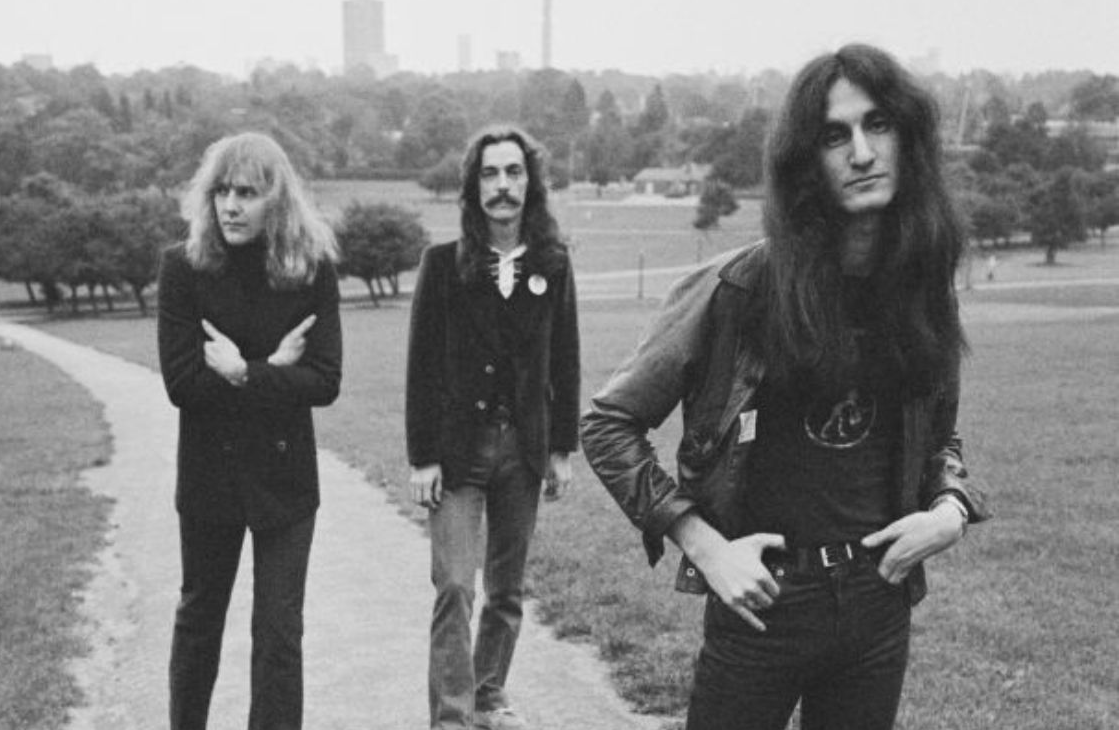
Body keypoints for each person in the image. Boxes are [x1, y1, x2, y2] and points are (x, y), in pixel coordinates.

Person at [581, 44, 991, 730]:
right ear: (807, 162)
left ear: (909, 140)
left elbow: (937, 439)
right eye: (834, 135)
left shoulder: (921, 289)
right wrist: (704, 546)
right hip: (764, 600)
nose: (861, 152)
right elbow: (608, 424)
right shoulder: (739, 288)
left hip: (878, 601)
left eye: (878, 124)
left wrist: (949, 510)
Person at [157, 131, 342, 730]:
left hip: (285, 482)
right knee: (199, 621)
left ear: (276, 200)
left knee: (280, 633)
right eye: (222, 192)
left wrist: (243, 372)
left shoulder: (311, 270)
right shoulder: (183, 268)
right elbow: (183, 384)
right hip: (209, 476)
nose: (230, 206)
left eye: (247, 193)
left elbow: (325, 380)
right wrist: (275, 369)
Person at [406, 124, 580, 730]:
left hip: (523, 451)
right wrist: (422, 457)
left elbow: (565, 359)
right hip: (457, 452)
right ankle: (451, 719)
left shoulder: (553, 265)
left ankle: (485, 696)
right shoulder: (442, 266)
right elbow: (421, 366)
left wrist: (561, 449)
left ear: (530, 184)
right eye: (489, 173)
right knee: (455, 586)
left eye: (513, 172)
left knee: (506, 591)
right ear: (473, 187)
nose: (502, 185)